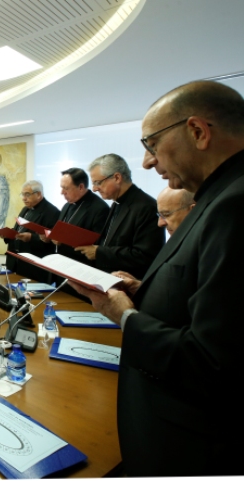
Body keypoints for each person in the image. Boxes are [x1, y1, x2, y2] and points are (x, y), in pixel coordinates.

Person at [71, 80, 244, 476]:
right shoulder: (218, 195)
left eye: (151, 145)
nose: (148, 163)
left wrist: (126, 315)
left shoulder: (235, 204)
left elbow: (214, 361)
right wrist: (143, 290)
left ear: (197, 132)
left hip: (193, 444)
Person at [74, 154, 165, 279]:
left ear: (117, 178)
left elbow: (145, 255)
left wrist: (99, 252)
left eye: (98, 183)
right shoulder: (116, 202)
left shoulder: (146, 207)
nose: (94, 189)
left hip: (130, 283)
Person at [42, 168, 109, 265]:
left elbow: (98, 245)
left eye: (66, 188)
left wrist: (64, 241)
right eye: (61, 187)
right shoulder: (67, 205)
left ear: (81, 187)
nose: (62, 192)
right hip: (62, 261)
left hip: (82, 265)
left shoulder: (100, 208)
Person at [3, 180, 59, 283]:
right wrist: (7, 234)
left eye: (27, 194)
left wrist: (31, 238)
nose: (24, 198)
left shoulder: (52, 212)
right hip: (16, 262)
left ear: (38, 194)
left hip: (33, 266)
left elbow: (52, 240)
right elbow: (18, 230)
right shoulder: (25, 209)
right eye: (22, 194)